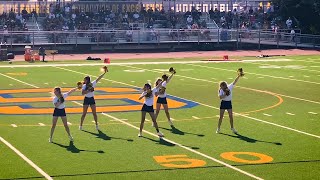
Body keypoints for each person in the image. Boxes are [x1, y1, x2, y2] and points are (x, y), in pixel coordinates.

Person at [79, 67, 108, 131]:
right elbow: (82, 93)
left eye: (85, 80)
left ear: (88, 80)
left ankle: (96, 125)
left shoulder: (92, 83)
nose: (84, 81)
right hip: (86, 99)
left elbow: (98, 78)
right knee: (84, 113)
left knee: (94, 113)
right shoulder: (84, 86)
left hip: (92, 99)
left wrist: (104, 73)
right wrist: (88, 90)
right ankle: (80, 125)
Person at [216, 69, 243, 134]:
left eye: (223, 86)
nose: (223, 88)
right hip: (223, 103)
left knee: (231, 116)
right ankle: (218, 128)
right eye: (222, 87)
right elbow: (220, 97)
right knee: (221, 117)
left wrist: (239, 76)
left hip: (228, 103)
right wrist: (225, 94)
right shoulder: (220, 90)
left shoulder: (229, 87)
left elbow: (234, 81)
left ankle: (232, 128)